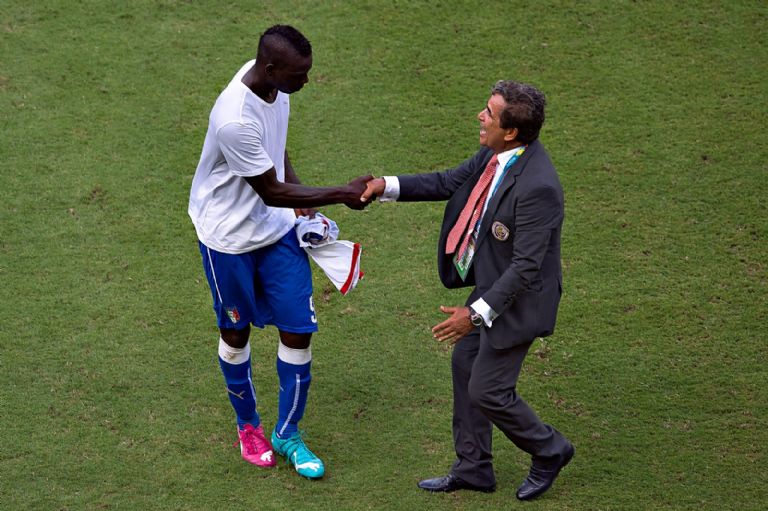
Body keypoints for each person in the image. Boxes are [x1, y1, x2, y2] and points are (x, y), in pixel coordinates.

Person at [361, 81, 573, 500]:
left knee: (488, 389)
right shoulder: (496, 155)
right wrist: (384, 185)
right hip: (493, 289)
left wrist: (473, 314)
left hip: (519, 301)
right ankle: (474, 468)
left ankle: (550, 449)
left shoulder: (539, 187)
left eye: (489, 113)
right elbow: (447, 182)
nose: (480, 116)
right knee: (465, 364)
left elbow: (526, 267)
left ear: (510, 131)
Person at [188, 24, 372, 480]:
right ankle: (248, 426)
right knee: (236, 334)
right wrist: (341, 193)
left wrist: (303, 197)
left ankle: (287, 433)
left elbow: (276, 147)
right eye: (299, 74)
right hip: (229, 240)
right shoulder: (234, 118)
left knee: (298, 331)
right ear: (270, 68)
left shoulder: (273, 86)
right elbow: (270, 189)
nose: (306, 81)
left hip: (276, 231)